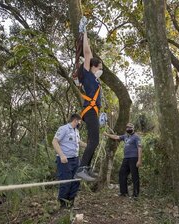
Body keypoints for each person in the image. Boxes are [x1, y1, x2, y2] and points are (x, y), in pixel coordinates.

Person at [74, 28, 103, 181]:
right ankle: (81, 168)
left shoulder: (95, 80)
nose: (101, 70)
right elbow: (87, 53)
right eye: (100, 67)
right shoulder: (87, 75)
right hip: (89, 111)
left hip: (93, 112)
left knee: (94, 140)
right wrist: (84, 33)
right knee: (94, 140)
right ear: (93, 66)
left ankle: (86, 168)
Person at [52, 114, 87, 208]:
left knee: (76, 181)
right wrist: (62, 155)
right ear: (75, 120)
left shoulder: (76, 131)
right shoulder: (64, 129)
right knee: (66, 182)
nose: (80, 123)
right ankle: (63, 204)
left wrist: (89, 146)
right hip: (65, 160)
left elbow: (79, 142)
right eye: (80, 121)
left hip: (75, 159)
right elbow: (54, 142)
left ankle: (70, 203)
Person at [104, 123, 142, 198]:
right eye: (127, 128)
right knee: (122, 173)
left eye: (130, 127)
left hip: (134, 158)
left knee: (134, 175)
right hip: (126, 158)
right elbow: (116, 137)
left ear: (133, 128)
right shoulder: (125, 136)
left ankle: (135, 194)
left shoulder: (136, 137)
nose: (128, 129)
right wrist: (107, 134)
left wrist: (139, 160)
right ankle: (123, 192)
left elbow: (140, 148)